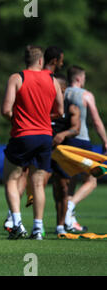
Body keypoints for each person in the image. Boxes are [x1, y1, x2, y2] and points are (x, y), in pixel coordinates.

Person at [1, 45, 64, 240]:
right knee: (38, 184)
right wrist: (43, 116)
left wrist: (18, 119)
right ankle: (38, 228)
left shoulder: (17, 78)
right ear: (40, 61)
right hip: (45, 136)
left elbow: (5, 110)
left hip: (22, 135)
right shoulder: (52, 79)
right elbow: (60, 110)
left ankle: (17, 223)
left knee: (11, 179)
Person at [64, 65, 107, 232]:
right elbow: (96, 120)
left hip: (65, 142)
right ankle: (70, 207)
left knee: (71, 182)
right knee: (91, 181)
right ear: (78, 78)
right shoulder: (86, 95)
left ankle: (68, 221)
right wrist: (105, 140)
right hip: (81, 141)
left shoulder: (62, 92)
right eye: (83, 79)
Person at [50, 73, 81, 235]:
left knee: (62, 188)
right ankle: (37, 224)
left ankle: (60, 225)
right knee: (38, 185)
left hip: (63, 153)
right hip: (45, 150)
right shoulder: (45, 104)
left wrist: (63, 134)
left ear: (61, 89)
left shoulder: (71, 107)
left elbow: (76, 128)